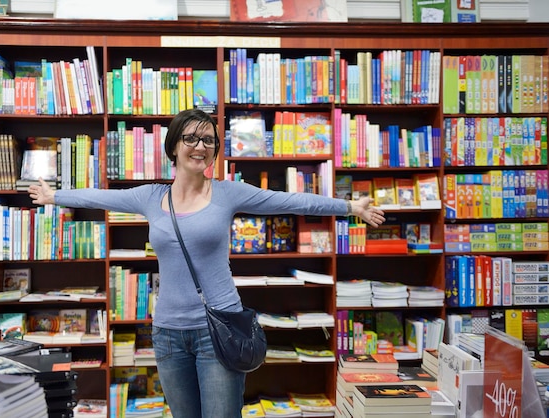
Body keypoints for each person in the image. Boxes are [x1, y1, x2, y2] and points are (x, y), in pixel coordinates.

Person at [29, 108, 385, 418]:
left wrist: (350, 207)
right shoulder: (151, 197)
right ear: (174, 146)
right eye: (191, 138)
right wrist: (53, 196)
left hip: (219, 330)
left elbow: (289, 201)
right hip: (167, 334)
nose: (200, 147)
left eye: (209, 141)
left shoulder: (228, 192)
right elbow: (99, 196)